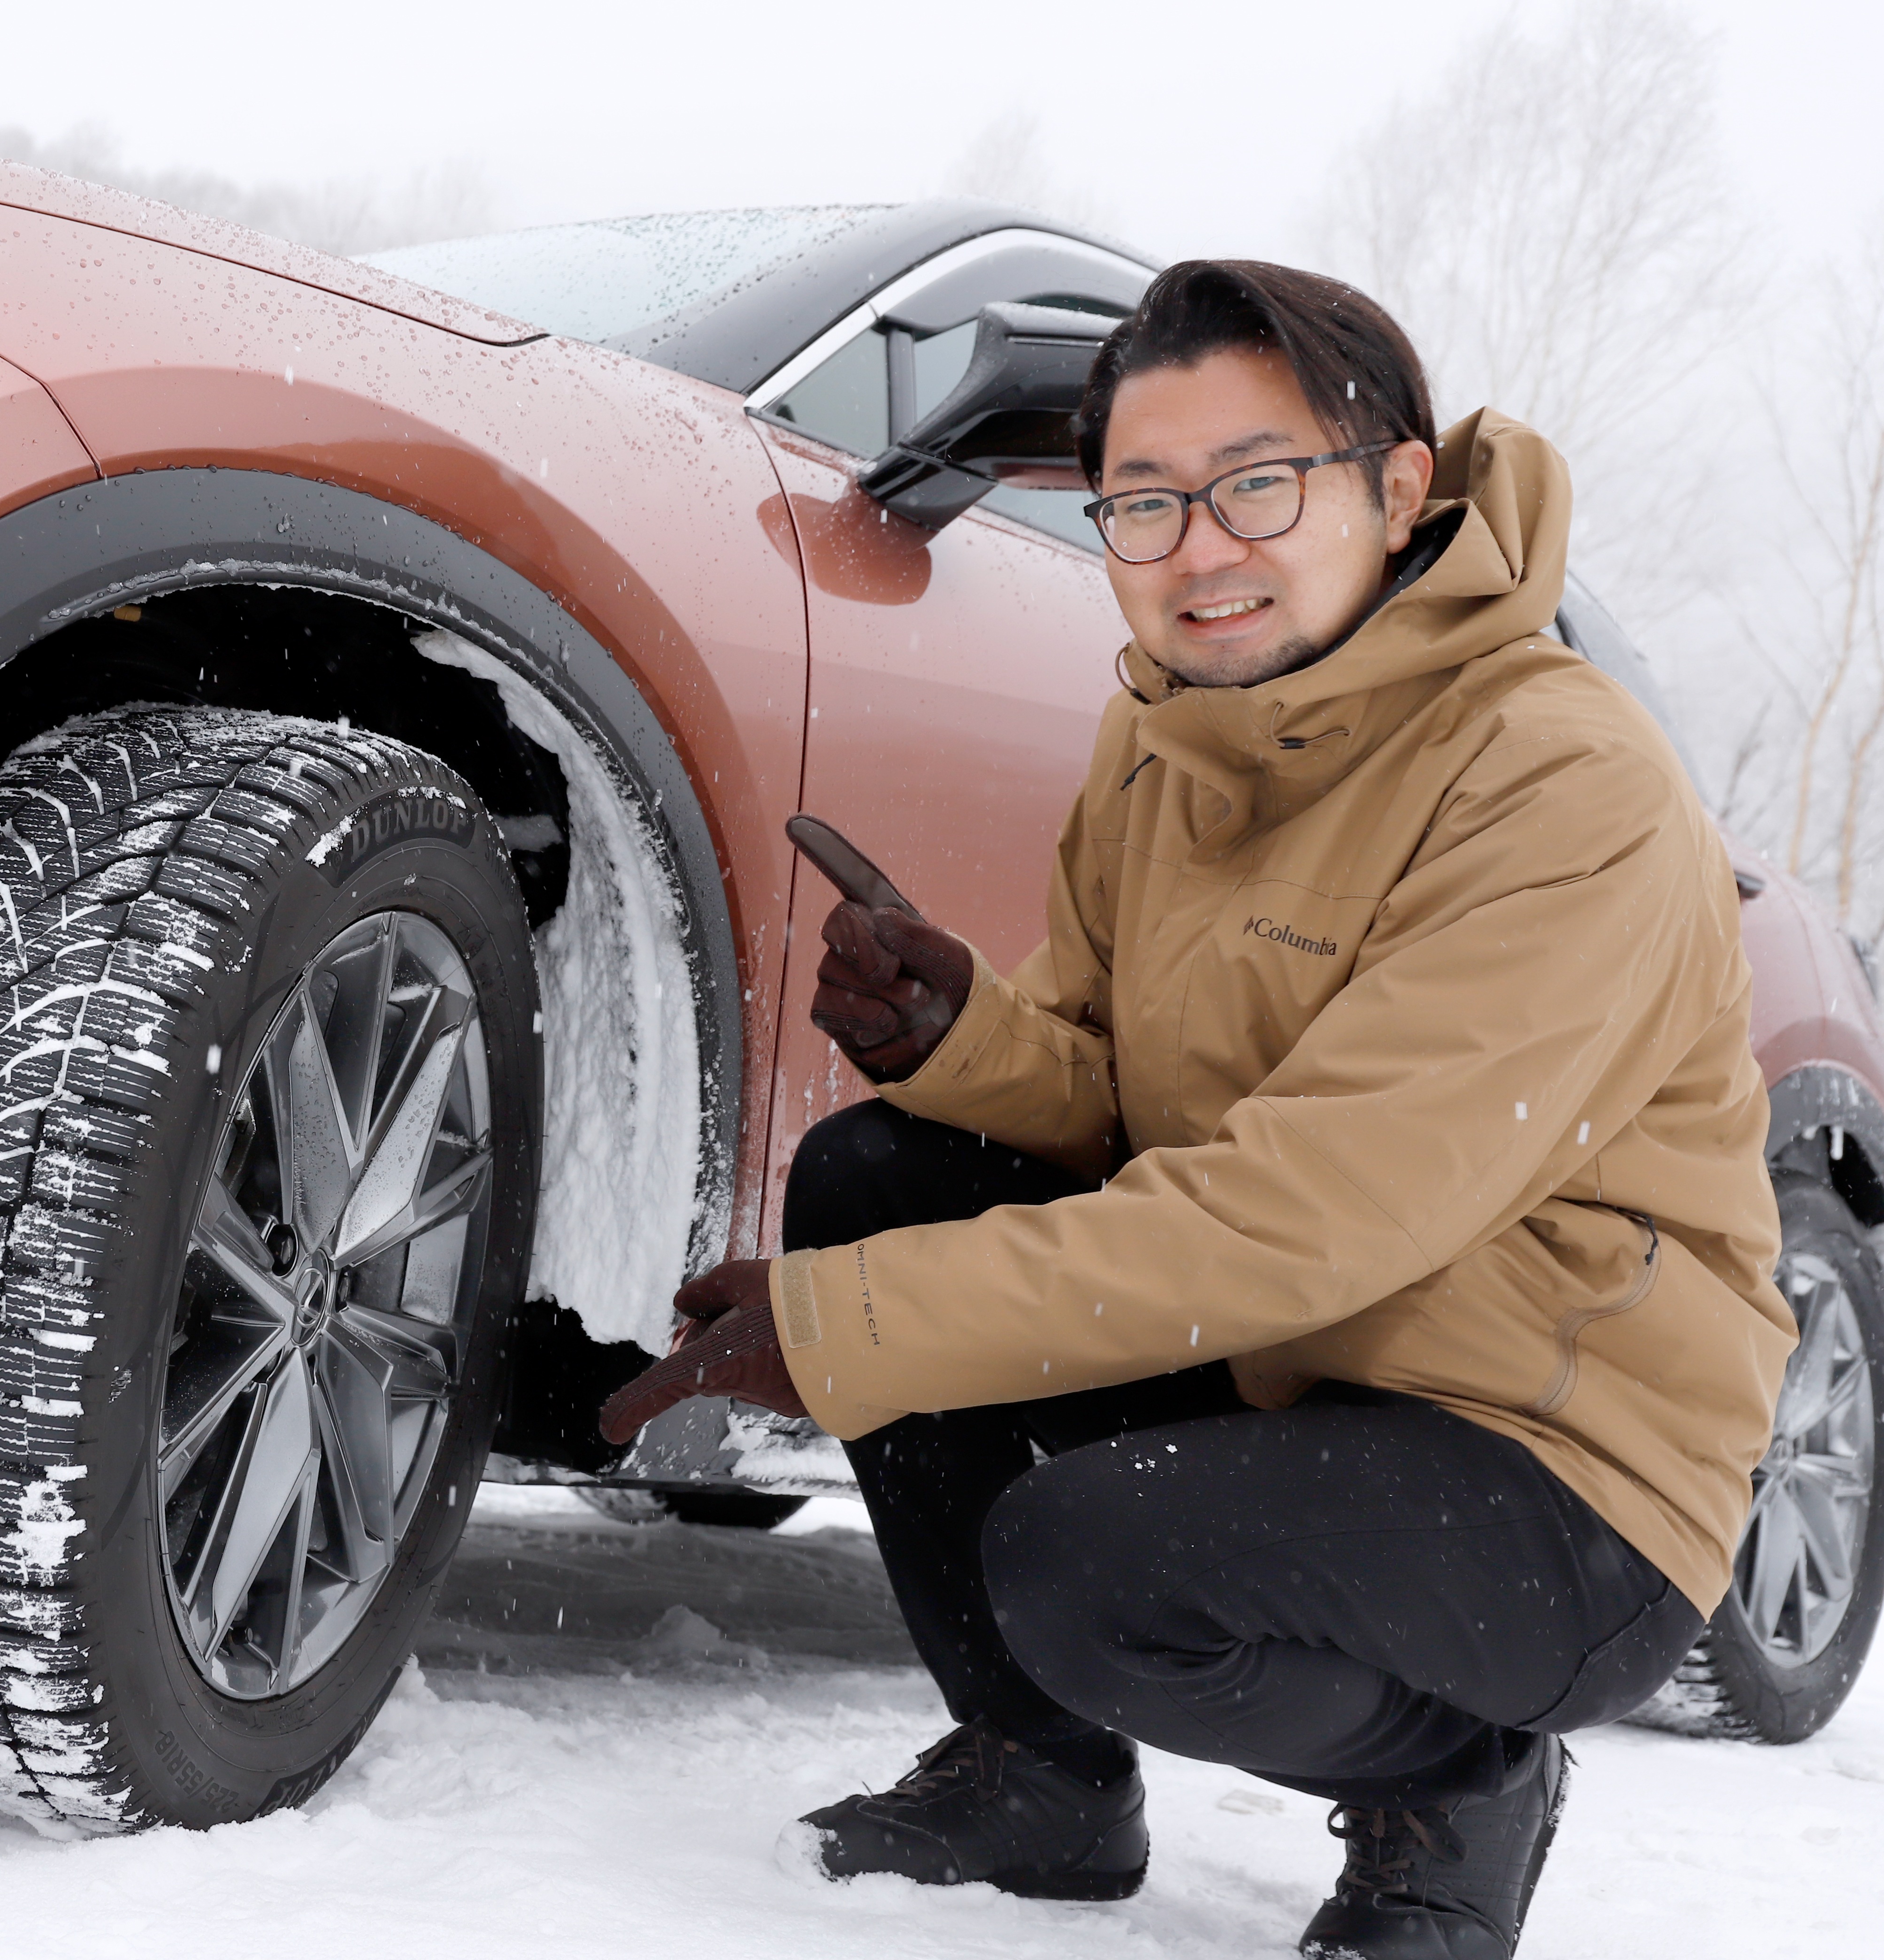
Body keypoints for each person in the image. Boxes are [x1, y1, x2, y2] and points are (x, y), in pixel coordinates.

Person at [600, 260, 1792, 1960]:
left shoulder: (1560, 781)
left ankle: (1463, 1784)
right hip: (1295, 1368)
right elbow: (1112, 1105)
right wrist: (960, 1038)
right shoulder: (1166, 749)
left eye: (1257, 484)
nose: (1198, 550)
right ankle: (1044, 1781)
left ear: (1394, 488)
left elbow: (1315, 1214)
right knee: (884, 1173)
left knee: (1091, 1569)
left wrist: (846, 1329)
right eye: (1143, 505)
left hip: (1554, 1470)